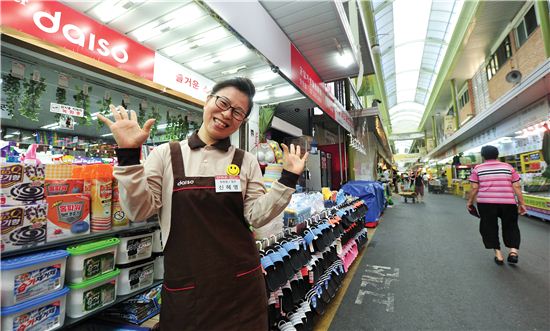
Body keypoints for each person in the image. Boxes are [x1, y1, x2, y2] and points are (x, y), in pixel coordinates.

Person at [98, 77, 308, 330]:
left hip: (241, 287)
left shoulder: (246, 160)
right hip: (187, 288)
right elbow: (139, 210)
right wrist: (129, 157)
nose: (226, 114)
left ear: (241, 121)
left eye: (237, 112)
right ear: (208, 100)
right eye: (223, 103)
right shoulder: (166, 154)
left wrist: (288, 179)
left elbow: (256, 216)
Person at [467, 145, 526, 265]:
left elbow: (474, 188)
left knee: (489, 227)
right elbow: (517, 186)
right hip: (508, 202)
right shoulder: (508, 167)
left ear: (483, 156)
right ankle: (513, 252)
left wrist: (470, 202)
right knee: (511, 226)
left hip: (486, 203)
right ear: (497, 155)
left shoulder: (477, 169)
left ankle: (499, 255)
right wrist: (522, 203)